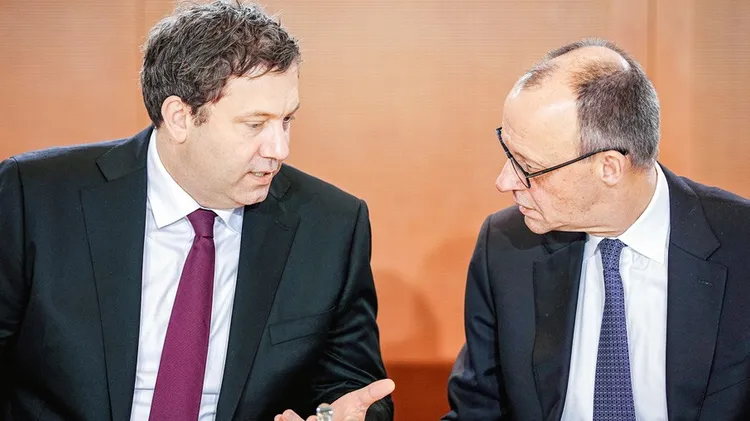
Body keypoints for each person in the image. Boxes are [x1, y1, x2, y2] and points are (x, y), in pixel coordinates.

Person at [0, 1, 394, 420]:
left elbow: (353, 388)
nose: (280, 149)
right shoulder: (34, 198)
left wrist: (340, 416)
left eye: (286, 120)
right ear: (180, 118)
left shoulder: (330, 225)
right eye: (255, 124)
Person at [444, 38, 750, 420]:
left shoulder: (741, 245)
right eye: (508, 152)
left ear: (609, 167)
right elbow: (478, 411)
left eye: (527, 166)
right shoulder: (506, 246)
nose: (504, 181)